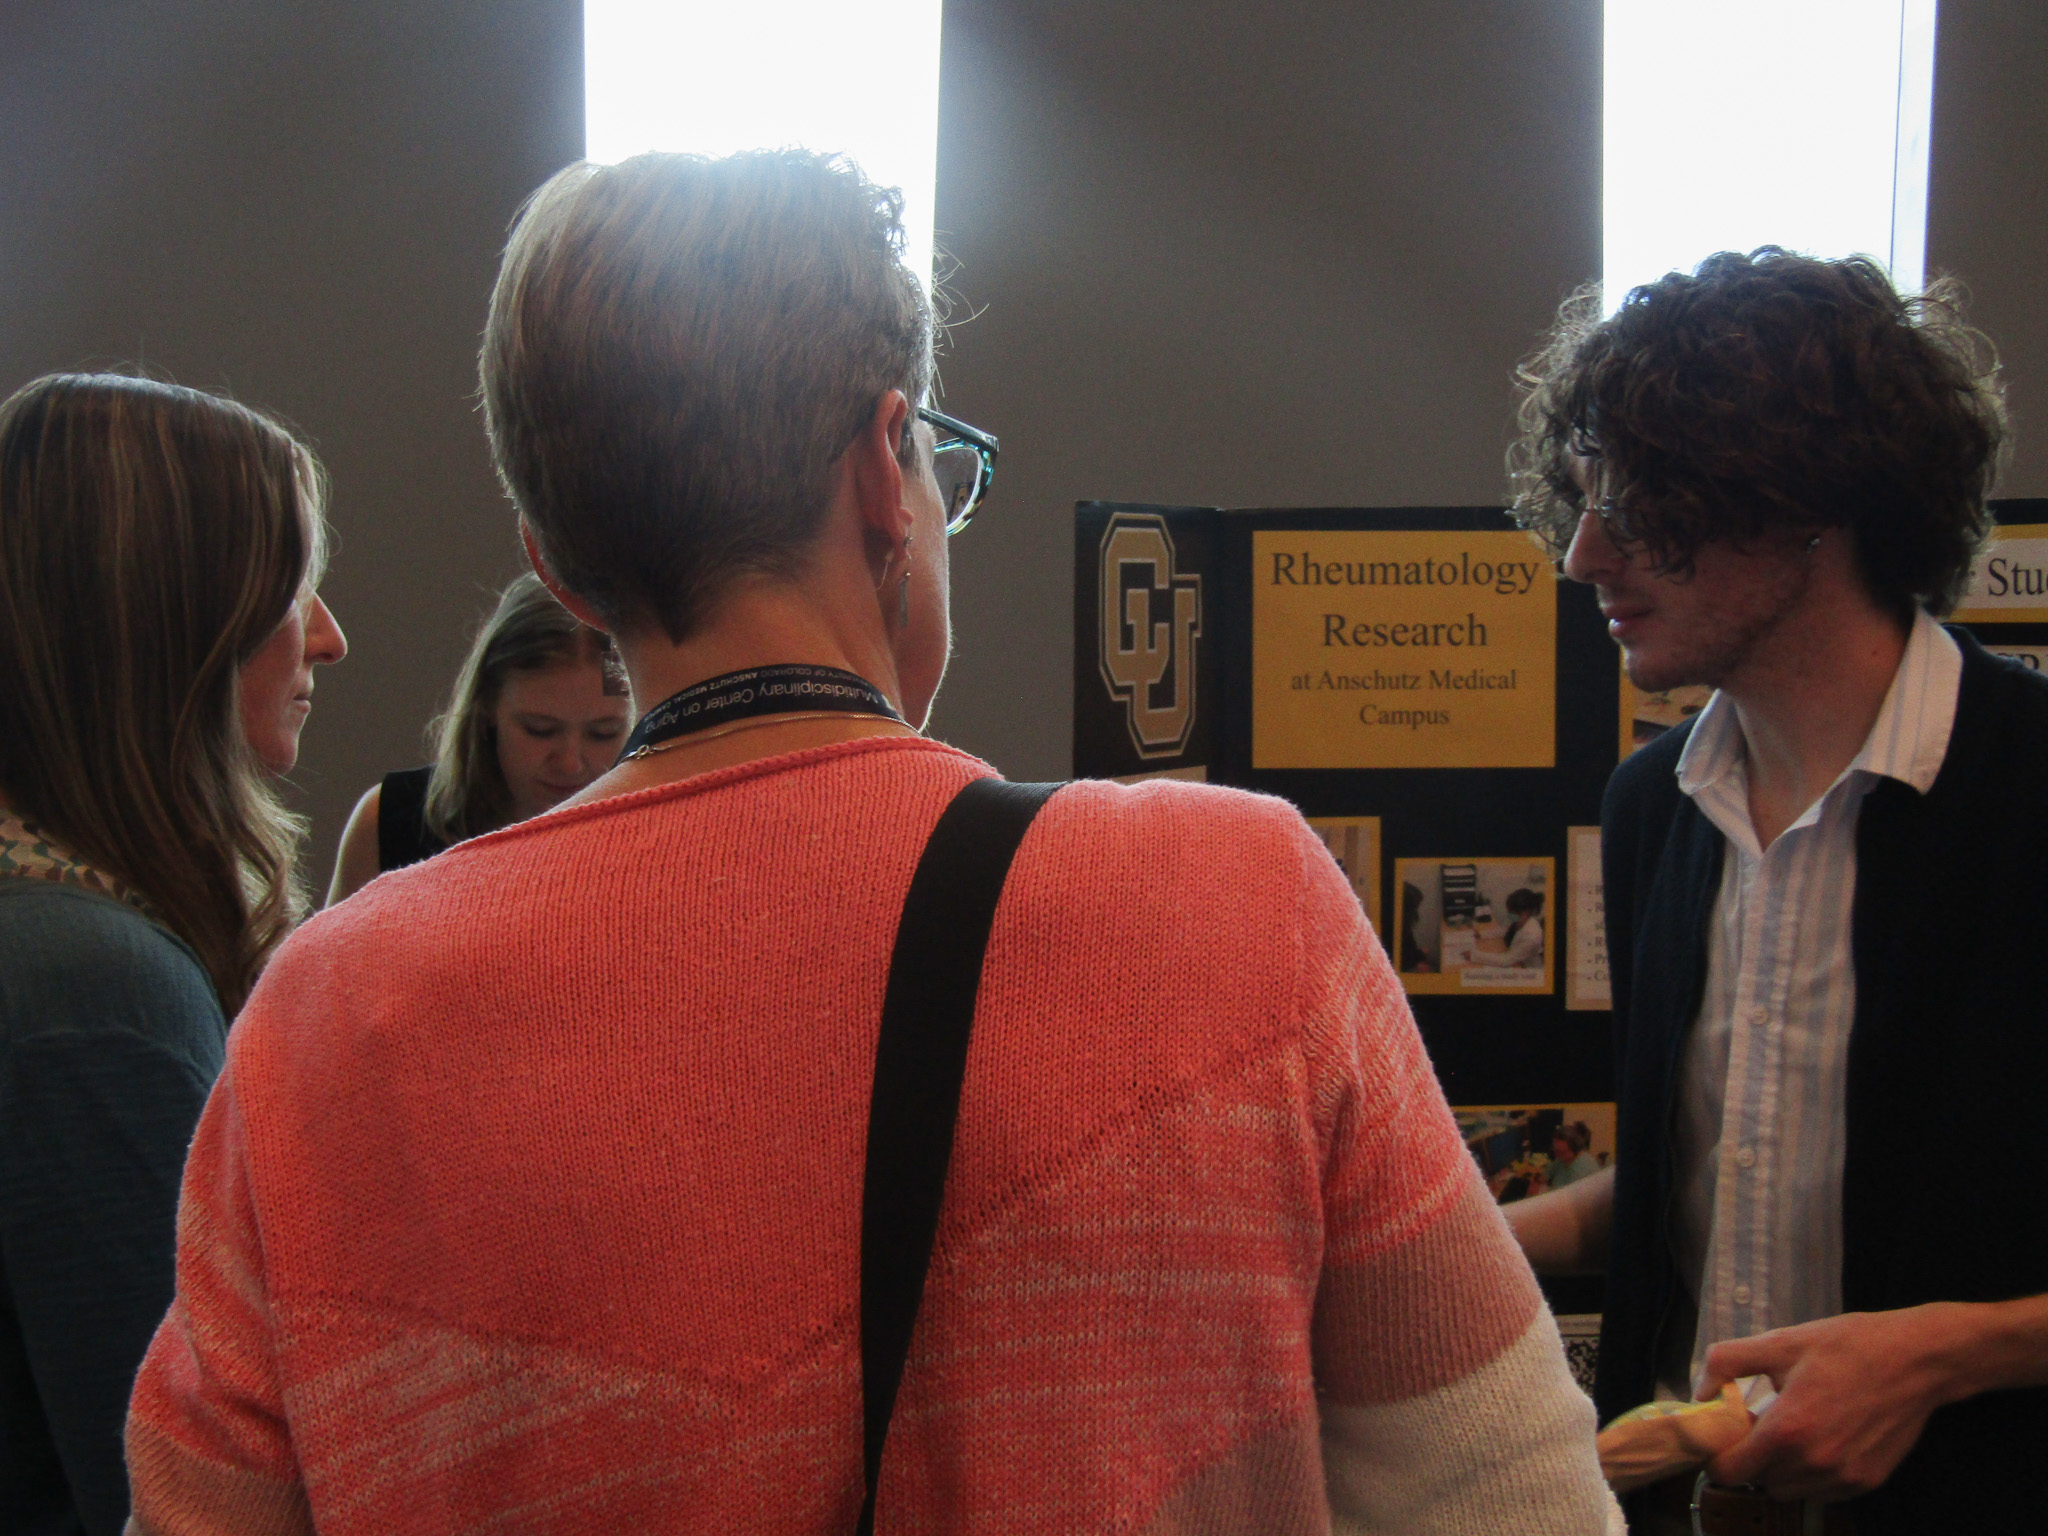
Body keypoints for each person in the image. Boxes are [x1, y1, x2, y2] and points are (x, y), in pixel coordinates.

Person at [124, 150, 1617, 1534]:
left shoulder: (322, 1023)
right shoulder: (1233, 905)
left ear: (559, 567)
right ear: (880, 469)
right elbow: (1513, 1502)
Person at [1505, 248, 2048, 1534]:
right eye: (1581, 502)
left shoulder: (2029, 790)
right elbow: (1702, 1176)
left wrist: (1942, 1353)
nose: (1582, 557)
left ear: (1805, 503)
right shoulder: (1652, 813)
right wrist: (1433, 1237)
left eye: (1635, 506)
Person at [0, 373, 345, 1536]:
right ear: (177, 620)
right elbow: (178, 1497)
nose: (332, 637)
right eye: (296, 590)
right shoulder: (89, 984)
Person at [326, 572, 629, 902]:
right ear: (486, 706)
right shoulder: (389, 822)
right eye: (539, 730)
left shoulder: (659, 837)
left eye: (603, 734)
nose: (570, 763)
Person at [1499, 886, 1545, 969]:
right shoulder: (1522, 921)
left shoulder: (1532, 935)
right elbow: (1504, 930)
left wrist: (1474, 955)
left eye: (1513, 912)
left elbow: (1506, 960)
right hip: (1516, 961)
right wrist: (1481, 934)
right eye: (1510, 911)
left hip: (1527, 969)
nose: (1510, 915)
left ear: (1526, 912)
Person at [1547, 1122, 1599, 1189]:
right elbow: (1545, 1175)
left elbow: (1566, 1197)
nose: (1556, 1155)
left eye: (1560, 1151)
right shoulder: (1562, 1158)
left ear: (1575, 1149)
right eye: (1555, 1149)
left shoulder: (1583, 1170)